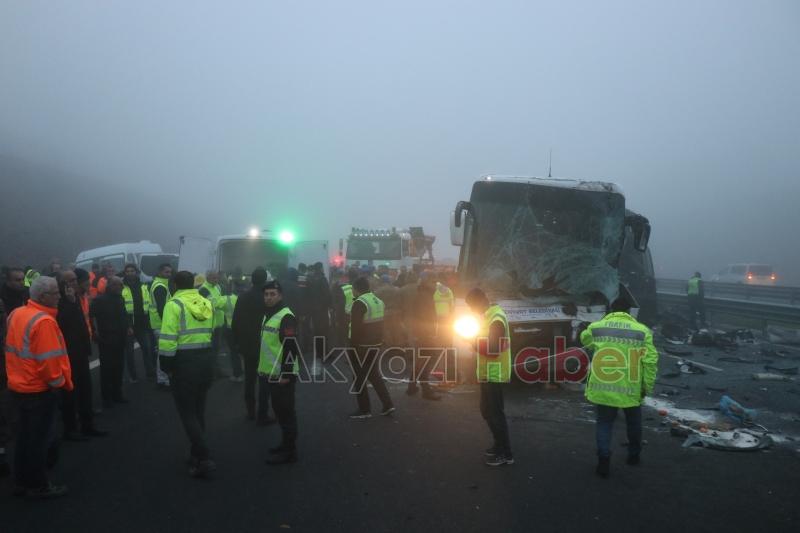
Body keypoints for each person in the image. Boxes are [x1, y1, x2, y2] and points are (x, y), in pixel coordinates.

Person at [5, 276, 73, 498]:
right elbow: (49, 363)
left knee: (23, 439)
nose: (60, 295)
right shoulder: (43, 322)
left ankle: (21, 483)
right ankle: (38, 485)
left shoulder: (16, 313)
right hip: (38, 391)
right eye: (55, 292)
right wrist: (60, 384)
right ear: (43, 296)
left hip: (17, 388)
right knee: (40, 440)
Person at [581, 296, 659, 478]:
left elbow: (585, 340)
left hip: (603, 387)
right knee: (633, 423)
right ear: (629, 312)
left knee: (604, 423)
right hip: (631, 388)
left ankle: (603, 460)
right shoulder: (642, 331)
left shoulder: (598, 327)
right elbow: (650, 361)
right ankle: (633, 455)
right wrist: (647, 386)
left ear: (610, 310)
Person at [158, 271, 216, 478]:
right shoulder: (205, 302)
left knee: (187, 412)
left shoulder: (174, 305)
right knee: (199, 409)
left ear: (174, 285)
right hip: (206, 360)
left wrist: (167, 366)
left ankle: (203, 456)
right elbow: (213, 332)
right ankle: (195, 452)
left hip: (184, 364)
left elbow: (167, 339)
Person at [465, 288, 513, 466]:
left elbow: (492, 350)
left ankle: (505, 454)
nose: (471, 310)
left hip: (496, 373)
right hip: (487, 373)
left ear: (480, 302)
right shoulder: (487, 317)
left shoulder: (496, 318)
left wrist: (470, 340)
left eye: (472, 307)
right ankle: (499, 445)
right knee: (486, 411)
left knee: (495, 414)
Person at [57, 271, 107, 440]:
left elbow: (82, 322)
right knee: (70, 394)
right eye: (70, 280)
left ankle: (88, 424)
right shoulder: (60, 301)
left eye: (75, 280)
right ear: (62, 283)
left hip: (80, 351)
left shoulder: (79, 298)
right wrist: (70, 302)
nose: (74, 283)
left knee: (85, 389)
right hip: (67, 354)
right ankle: (70, 429)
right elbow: (62, 323)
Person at [259, 281, 301, 465]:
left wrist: (286, 374)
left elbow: (291, 347)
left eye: (272, 294)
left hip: (282, 375)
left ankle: (290, 451)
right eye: (266, 294)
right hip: (271, 373)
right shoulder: (270, 314)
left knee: (286, 413)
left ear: (280, 295)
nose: (268, 297)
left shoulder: (286, 317)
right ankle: (285, 445)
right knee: (280, 412)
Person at [348, 277, 394, 419]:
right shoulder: (378, 301)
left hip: (361, 346)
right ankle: (388, 404)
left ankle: (364, 409)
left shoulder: (359, 303)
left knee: (359, 378)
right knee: (374, 375)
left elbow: (356, 329)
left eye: (353, 290)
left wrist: (351, 346)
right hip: (375, 344)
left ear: (356, 289)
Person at [231, 268, 273, 424]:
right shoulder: (269, 298)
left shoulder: (243, 297)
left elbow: (235, 322)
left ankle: (250, 411)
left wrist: (236, 343)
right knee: (264, 380)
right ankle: (263, 414)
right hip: (266, 343)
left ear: (251, 280)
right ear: (265, 281)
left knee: (249, 379)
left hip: (247, 343)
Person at [91, 276, 130, 407]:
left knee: (119, 368)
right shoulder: (99, 300)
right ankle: (106, 397)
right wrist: (95, 332)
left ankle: (117, 394)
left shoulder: (120, 299)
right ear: (110, 286)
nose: (120, 287)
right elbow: (91, 318)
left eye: (121, 285)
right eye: (118, 285)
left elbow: (124, 315)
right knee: (107, 369)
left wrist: (128, 327)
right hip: (106, 339)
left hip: (120, 339)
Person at [406, 275, 442, 400]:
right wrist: (430, 334)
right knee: (425, 360)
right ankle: (423, 390)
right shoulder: (425, 297)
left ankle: (413, 387)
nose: (436, 284)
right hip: (424, 334)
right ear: (427, 283)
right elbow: (424, 317)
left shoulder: (424, 294)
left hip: (422, 333)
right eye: (433, 281)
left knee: (423, 360)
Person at [122, 263, 155, 381]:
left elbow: (148, 304)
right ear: (125, 273)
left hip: (142, 323)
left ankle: (150, 371)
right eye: (128, 271)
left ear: (136, 272)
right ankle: (133, 375)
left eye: (132, 271)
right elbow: (120, 308)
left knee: (146, 348)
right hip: (129, 324)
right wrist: (127, 325)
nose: (130, 273)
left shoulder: (143, 286)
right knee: (129, 353)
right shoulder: (121, 287)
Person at [150, 263, 173, 389]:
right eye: (166, 272)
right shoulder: (160, 286)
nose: (169, 274)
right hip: (161, 325)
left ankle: (163, 378)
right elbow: (161, 308)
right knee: (163, 353)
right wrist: (168, 324)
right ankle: (162, 380)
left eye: (170, 272)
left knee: (162, 352)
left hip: (158, 324)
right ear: (160, 272)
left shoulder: (160, 284)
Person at [198, 271, 226, 377]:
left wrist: (220, 301)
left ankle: (216, 371)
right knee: (210, 350)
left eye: (217, 278)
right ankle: (210, 372)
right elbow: (212, 304)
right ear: (208, 278)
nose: (216, 280)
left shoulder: (217, 287)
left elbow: (218, 301)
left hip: (218, 324)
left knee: (216, 349)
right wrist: (223, 301)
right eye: (214, 278)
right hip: (210, 326)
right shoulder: (203, 289)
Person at [222, 284, 244, 382]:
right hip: (244, 329)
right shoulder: (245, 299)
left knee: (234, 352)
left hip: (230, 329)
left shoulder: (227, 299)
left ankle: (237, 375)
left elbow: (214, 303)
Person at [332, 268, 357, 349]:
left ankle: (341, 343)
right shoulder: (358, 285)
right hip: (354, 311)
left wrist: (334, 308)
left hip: (342, 310)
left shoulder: (339, 284)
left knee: (341, 327)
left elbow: (335, 297)